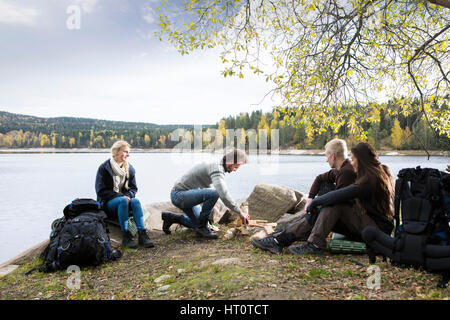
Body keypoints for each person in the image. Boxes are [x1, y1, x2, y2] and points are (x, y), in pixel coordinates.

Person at [252, 138, 357, 254]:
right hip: (345, 217)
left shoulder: (347, 172)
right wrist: (310, 199)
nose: (326, 160)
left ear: (333, 156)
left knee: (323, 208)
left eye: (327, 156)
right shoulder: (341, 169)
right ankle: (277, 239)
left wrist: (316, 205)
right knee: (323, 192)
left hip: (354, 226)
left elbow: (338, 202)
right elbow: (320, 178)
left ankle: (279, 240)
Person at [162, 148, 250, 239]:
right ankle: (202, 228)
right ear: (230, 162)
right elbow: (223, 193)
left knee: (198, 224)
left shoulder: (218, 165)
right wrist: (239, 212)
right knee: (215, 193)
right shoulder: (217, 168)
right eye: (236, 167)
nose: (235, 170)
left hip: (187, 194)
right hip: (180, 195)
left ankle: (171, 217)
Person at [95, 141, 154, 249]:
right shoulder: (104, 168)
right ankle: (126, 236)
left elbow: (133, 188)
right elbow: (100, 191)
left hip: (124, 201)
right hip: (108, 204)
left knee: (135, 201)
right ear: (117, 152)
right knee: (123, 201)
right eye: (125, 151)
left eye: (129, 152)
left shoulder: (129, 168)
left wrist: (128, 195)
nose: (128, 154)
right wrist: (120, 197)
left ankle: (142, 234)